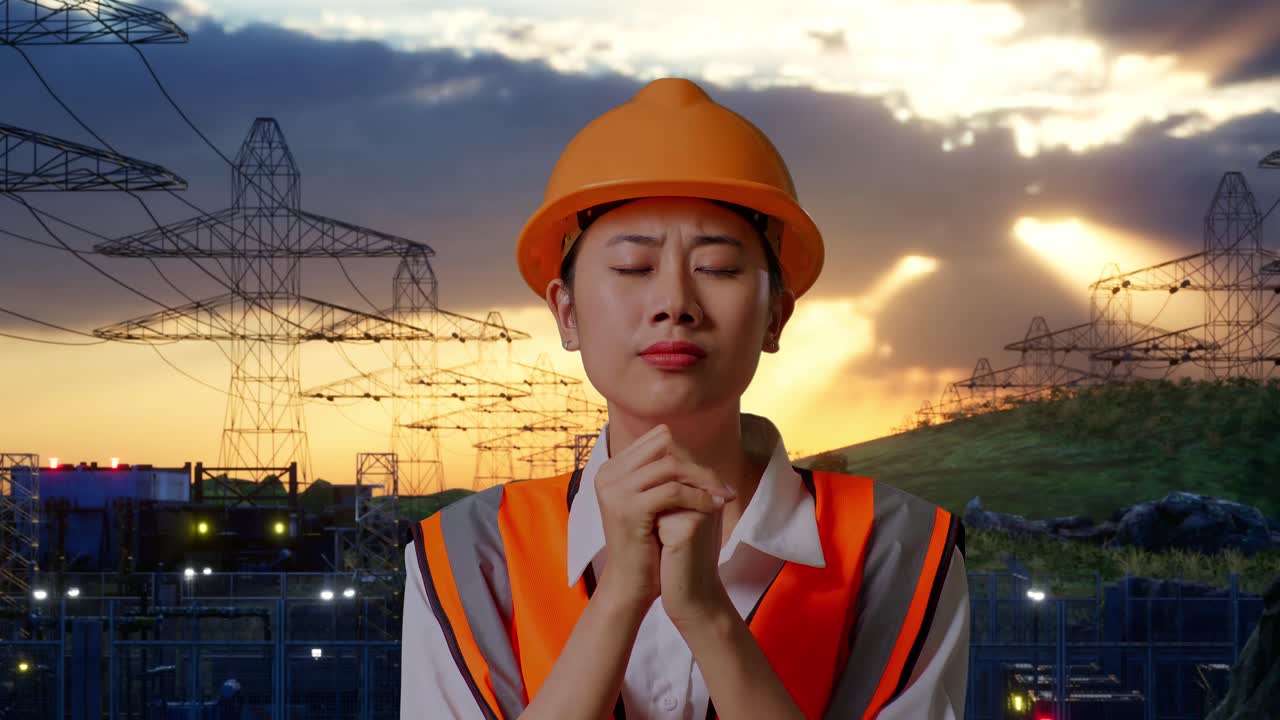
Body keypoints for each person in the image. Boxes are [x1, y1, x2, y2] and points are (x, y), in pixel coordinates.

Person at [401, 77, 969, 719]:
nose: (675, 303)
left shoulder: (897, 546)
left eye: (719, 269)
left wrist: (705, 614)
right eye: (632, 269)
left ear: (776, 316)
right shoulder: (470, 551)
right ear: (567, 313)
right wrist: (620, 596)